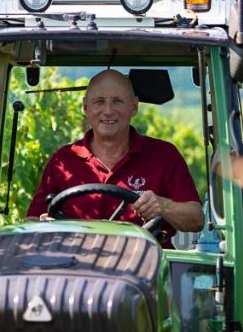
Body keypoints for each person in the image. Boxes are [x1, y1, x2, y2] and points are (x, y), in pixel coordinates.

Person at [26, 69, 204, 240]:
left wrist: (163, 206)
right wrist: (44, 227)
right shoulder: (63, 161)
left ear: (134, 107)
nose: (108, 111)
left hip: (148, 265)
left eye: (117, 101)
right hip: (76, 266)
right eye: (99, 102)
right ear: (85, 107)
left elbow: (196, 220)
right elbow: (32, 221)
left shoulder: (164, 156)